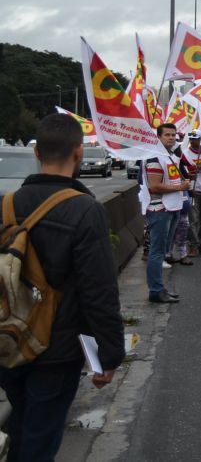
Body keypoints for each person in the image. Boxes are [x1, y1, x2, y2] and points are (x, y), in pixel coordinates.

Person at [0, 113, 125, 461]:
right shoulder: (85, 210)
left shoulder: (6, 204)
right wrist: (109, 354)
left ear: (36, 152)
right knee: (40, 438)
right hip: (56, 348)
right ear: (79, 153)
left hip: (8, 339)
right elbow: (98, 291)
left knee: (22, 424)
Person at [145, 123, 191, 303]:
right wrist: (180, 187)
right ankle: (156, 291)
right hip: (160, 209)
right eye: (167, 135)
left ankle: (160, 288)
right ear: (158, 137)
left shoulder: (170, 156)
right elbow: (154, 186)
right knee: (157, 252)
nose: (172, 138)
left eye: (173, 135)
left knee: (163, 252)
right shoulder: (154, 157)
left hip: (173, 208)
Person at [181, 130, 201, 256]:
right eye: (191, 139)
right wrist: (190, 189)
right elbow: (184, 173)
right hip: (194, 191)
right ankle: (193, 246)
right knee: (193, 220)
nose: (193, 141)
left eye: (195, 139)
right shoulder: (185, 154)